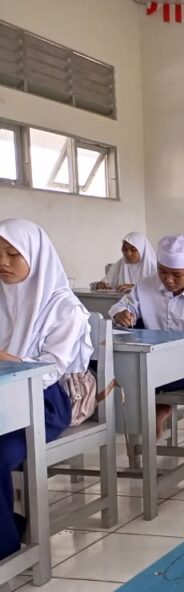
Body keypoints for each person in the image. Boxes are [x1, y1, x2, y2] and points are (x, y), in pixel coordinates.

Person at [0, 218, 94, 562]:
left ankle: (5, 547)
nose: (3, 262)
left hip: (45, 401)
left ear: (36, 256)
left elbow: (51, 369)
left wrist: (8, 359)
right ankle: (10, 523)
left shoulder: (64, 307)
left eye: (13, 254)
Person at [110, 235, 184, 439]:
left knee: (149, 376)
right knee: (128, 371)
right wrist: (120, 313)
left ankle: (160, 408)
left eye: (176, 275)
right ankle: (144, 416)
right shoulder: (146, 285)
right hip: (164, 358)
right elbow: (123, 305)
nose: (168, 280)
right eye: (162, 271)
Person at [93, 232, 157, 293]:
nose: (128, 254)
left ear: (142, 250)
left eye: (133, 250)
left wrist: (136, 288)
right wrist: (100, 284)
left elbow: (159, 289)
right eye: (125, 249)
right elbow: (107, 282)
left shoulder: (155, 266)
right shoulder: (120, 264)